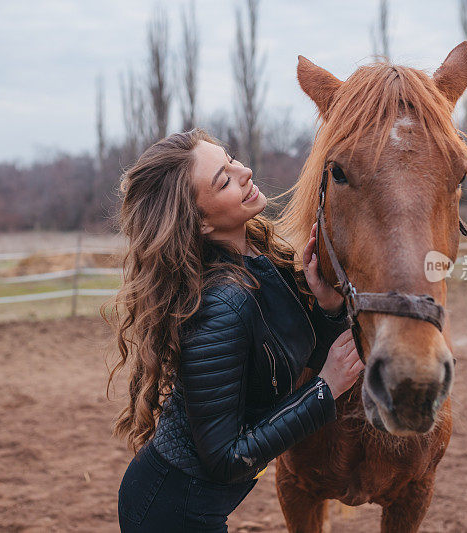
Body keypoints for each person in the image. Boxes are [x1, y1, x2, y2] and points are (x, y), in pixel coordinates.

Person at [105, 129, 363, 532]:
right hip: (169, 514)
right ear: (201, 223)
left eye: (231, 161)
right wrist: (324, 390)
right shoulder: (222, 306)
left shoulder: (258, 260)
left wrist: (327, 306)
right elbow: (226, 458)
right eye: (223, 180)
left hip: (191, 506)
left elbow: (290, 358)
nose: (245, 171)